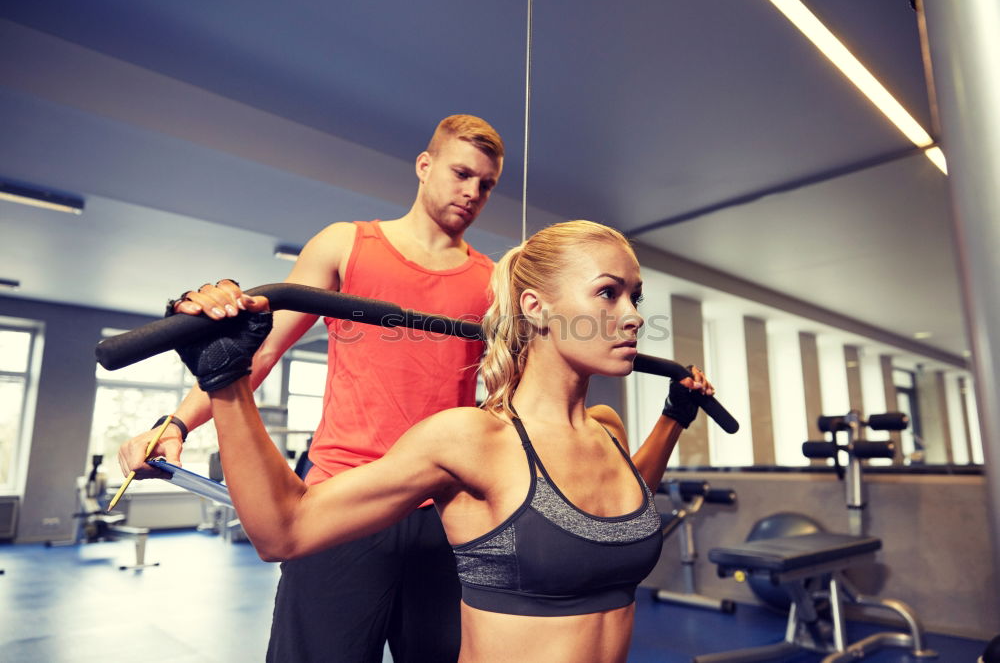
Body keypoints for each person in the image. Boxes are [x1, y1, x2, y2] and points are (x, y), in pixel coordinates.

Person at [169, 220, 714, 663]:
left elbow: (622, 502)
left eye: (635, 297)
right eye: (608, 294)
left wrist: (672, 417)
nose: (634, 317)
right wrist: (226, 382)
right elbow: (283, 531)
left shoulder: (607, 431)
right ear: (534, 307)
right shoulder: (472, 440)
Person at [117, 114, 505, 662]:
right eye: (462, 173)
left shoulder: (492, 282)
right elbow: (260, 351)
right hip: (343, 499)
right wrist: (177, 423)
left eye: (486, 184)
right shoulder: (347, 245)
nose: (472, 192)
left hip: (444, 511)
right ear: (425, 166)